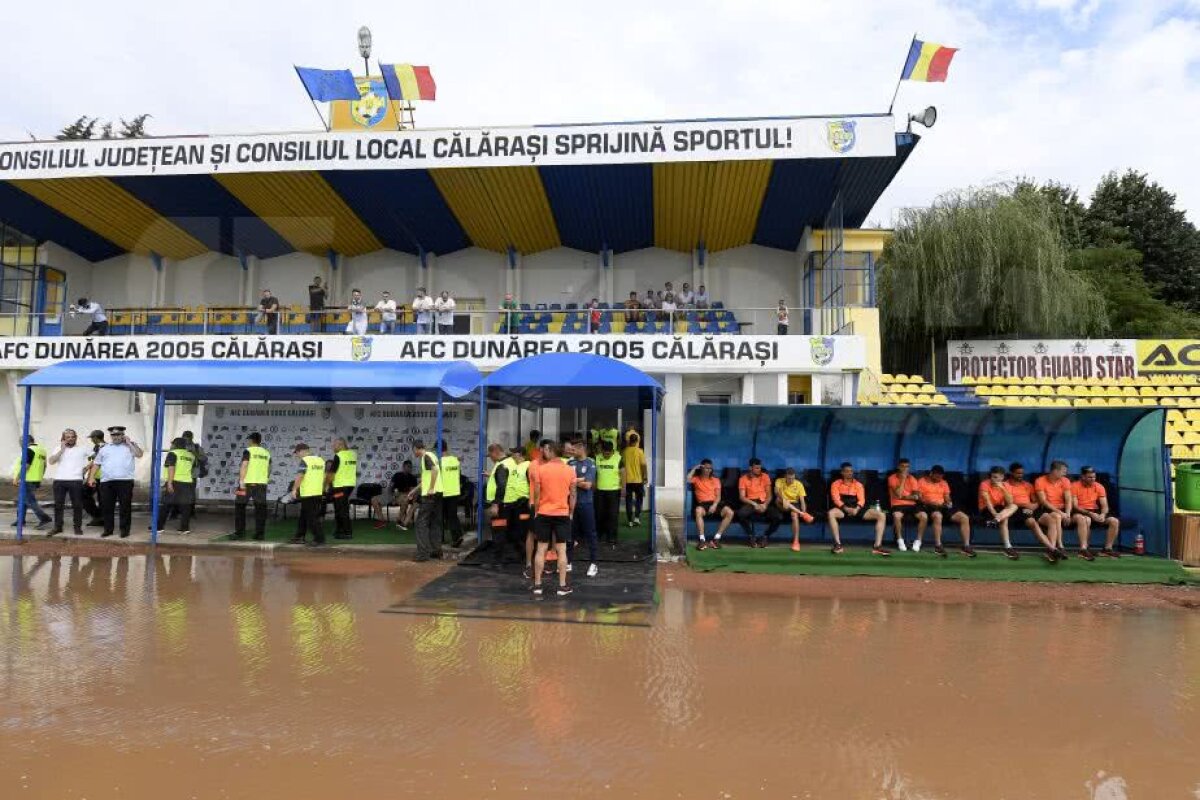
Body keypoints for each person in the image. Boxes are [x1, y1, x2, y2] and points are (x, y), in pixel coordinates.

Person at [529, 440, 576, 597]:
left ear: (549, 450)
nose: (543, 452)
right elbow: (573, 494)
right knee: (562, 550)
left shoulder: (540, 470)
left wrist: (536, 510)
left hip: (543, 513)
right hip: (562, 514)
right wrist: (571, 512)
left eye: (545, 450)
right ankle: (562, 586)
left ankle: (537, 585)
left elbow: (536, 493)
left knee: (541, 549)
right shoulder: (570, 470)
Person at [87, 426, 143, 538]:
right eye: (113, 435)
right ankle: (108, 529)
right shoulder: (105, 448)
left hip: (125, 481)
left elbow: (139, 454)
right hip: (107, 482)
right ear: (111, 436)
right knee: (107, 507)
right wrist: (91, 477)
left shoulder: (130, 446)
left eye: (118, 434)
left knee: (125, 507)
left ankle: (124, 530)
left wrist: (129, 443)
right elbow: (97, 463)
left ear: (123, 435)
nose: (116, 437)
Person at [827, 462, 888, 555]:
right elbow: (836, 499)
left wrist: (856, 509)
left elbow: (861, 500)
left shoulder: (858, 484)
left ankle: (877, 547)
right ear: (842, 473)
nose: (850, 473)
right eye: (847, 471)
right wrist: (846, 508)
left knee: (882, 515)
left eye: (851, 471)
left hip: (857, 508)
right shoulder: (836, 484)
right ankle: (838, 545)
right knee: (831, 513)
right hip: (843, 508)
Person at [1036, 460, 1092, 560]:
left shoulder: (1065, 481)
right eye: (1063, 471)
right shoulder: (1040, 481)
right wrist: (1060, 512)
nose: (1065, 473)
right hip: (1047, 509)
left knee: (1082, 518)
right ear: (1055, 471)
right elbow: (1044, 501)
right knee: (1056, 516)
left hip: (1063, 509)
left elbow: (1068, 499)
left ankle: (1083, 549)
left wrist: (1067, 513)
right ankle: (1059, 547)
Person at [917, 465, 975, 557]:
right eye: (937, 476)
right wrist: (930, 502)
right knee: (938, 516)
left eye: (941, 476)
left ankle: (966, 546)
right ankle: (938, 545)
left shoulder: (943, 483)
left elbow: (947, 497)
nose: (939, 478)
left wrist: (948, 502)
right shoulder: (922, 481)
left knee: (964, 517)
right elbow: (920, 498)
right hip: (929, 506)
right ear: (931, 474)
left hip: (943, 506)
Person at [1007, 462, 1060, 562]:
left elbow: (1036, 501)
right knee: (1032, 522)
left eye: (1022, 473)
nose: (1020, 475)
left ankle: (1051, 551)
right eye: (1018, 473)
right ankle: (1052, 549)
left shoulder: (1028, 485)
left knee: (1051, 521)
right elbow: (1008, 503)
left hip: (1031, 509)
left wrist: (1032, 507)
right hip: (1016, 510)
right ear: (1012, 473)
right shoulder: (1006, 485)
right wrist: (1024, 506)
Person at [489, 447, 530, 568]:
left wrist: (496, 503)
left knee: (499, 531)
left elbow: (502, 485)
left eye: (514, 453)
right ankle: (521, 555)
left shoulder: (503, 465)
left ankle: (498, 561)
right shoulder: (514, 464)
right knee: (515, 531)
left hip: (504, 504)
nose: (512, 455)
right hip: (513, 503)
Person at [1073, 466, 1122, 558]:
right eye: (1090, 477)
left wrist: (1103, 514)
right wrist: (1090, 513)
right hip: (1080, 511)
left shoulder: (1099, 486)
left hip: (1095, 511)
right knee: (1086, 519)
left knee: (1114, 521)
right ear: (1083, 477)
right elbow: (1075, 506)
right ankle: (1083, 549)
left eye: (1094, 477)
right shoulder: (1075, 486)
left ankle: (1107, 549)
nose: (1093, 479)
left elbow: (1105, 506)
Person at [48, 428, 89, 536]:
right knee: (58, 505)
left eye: (73, 437)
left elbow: (95, 458)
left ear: (76, 438)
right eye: (68, 437)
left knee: (77, 505)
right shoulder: (58, 448)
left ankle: (77, 527)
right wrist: (62, 450)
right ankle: (58, 527)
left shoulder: (82, 449)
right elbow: (51, 461)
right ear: (63, 438)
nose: (70, 439)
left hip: (76, 480)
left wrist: (86, 468)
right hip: (59, 480)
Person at [567, 438, 599, 577]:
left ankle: (593, 563)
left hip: (586, 504)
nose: (572, 451)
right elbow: (565, 482)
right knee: (570, 534)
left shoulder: (591, 463)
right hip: (570, 504)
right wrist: (578, 480)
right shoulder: (570, 463)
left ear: (582, 449)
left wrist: (572, 481)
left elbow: (588, 485)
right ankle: (568, 562)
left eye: (574, 449)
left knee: (590, 533)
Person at [232, 432, 271, 541]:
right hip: (261, 484)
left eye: (248, 440)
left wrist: (241, 481)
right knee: (260, 509)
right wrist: (265, 478)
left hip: (246, 484)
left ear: (251, 440)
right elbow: (269, 468)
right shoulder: (266, 453)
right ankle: (260, 534)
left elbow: (244, 465)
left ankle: (239, 533)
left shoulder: (248, 450)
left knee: (239, 506)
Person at [735, 458, 781, 546]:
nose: (759, 470)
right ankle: (751, 535)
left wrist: (765, 505)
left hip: (764, 502)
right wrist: (754, 504)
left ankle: (765, 536)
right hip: (751, 502)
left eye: (759, 468)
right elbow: (742, 497)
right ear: (750, 468)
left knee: (778, 517)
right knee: (740, 514)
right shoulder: (743, 479)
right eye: (756, 468)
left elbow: (769, 495)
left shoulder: (765, 476)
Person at [410, 440, 443, 561]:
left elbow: (435, 470)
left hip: (430, 495)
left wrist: (431, 488)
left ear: (416, 448)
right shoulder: (432, 455)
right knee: (435, 522)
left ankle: (423, 554)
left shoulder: (426, 456)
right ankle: (436, 551)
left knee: (421, 524)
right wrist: (414, 490)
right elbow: (427, 477)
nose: (413, 453)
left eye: (413, 450)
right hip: (438, 493)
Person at [689, 459, 734, 549]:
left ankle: (716, 540)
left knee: (730, 512)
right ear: (702, 468)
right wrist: (695, 468)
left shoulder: (715, 480)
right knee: (698, 510)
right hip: (703, 504)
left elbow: (718, 496)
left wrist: (714, 505)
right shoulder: (696, 479)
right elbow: (687, 479)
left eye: (710, 468)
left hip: (715, 504)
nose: (708, 470)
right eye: (706, 468)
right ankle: (702, 540)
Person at [156, 436, 196, 535]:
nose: (171, 445)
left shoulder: (173, 453)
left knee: (165, 505)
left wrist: (169, 482)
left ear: (175, 444)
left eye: (172, 444)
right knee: (185, 506)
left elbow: (171, 468)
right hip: (187, 482)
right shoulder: (191, 455)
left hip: (175, 481)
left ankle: (158, 527)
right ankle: (184, 528)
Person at [978, 466, 1020, 560]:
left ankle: (996, 521)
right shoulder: (984, 484)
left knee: (1014, 506)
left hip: (1000, 511)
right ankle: (1008, 547)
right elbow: (987, 502)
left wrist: (1003, 489)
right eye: (993, 477)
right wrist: (995, 514)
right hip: (987, 509)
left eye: (996, 477)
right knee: (1004, 519)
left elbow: (1010, 502)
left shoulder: (1006, 485)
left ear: (1002, 477)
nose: (994, 479)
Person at [289, 443, 325, 547]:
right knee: (304, 516)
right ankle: (299, 536)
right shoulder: (320, 460)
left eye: (297, 453)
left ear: (302, 451)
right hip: (317, 492)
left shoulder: (305, 461)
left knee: (311, 518)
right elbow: (323, 477)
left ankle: (319, 539)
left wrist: (294, 489)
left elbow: (300, 476)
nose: (297, 455)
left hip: (308, 493)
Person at [11, 434, 51, 529]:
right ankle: (20, 520)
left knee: (30, 501)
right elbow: (44, 466)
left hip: (27, 479)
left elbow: (26, 466)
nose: (20, 445)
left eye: (20, 442)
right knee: (23, 500)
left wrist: (17, 478)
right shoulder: (41, 450)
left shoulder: (29, 450)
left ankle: (44, 518)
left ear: (25, 441)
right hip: (35, 479)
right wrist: (40, 478)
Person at [888, 458, 925, 552]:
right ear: (898, 467)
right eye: (903, 466)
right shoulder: (892, 478)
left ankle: (918, 541)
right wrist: (903, 479)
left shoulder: (912, 478)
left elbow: (916, 496)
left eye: (907, 467)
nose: (905, 469)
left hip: (912, 505)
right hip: (897, 504)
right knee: (897, 516)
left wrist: (905, 497)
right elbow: (898, 494)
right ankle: (900, 540)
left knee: (924, 516)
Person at [775, 468, 814, 552]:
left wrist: (804, 511)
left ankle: (796, 541)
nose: (791, 480)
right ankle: (802, 514)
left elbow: (802, 501)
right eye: (789, 478)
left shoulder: (799, 484)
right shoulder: (779, 481)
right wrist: (784, 500)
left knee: (794, 515)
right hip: (781, 502)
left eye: (793, 478)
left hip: (794, 504)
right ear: (785, 476)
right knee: (778, 500)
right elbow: (777, 492)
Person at [326, 437, 357, 540]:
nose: (333, 447)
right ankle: (339, 531)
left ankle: (347, 532)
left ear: (340, 445)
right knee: (339, 508)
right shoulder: (353, 454)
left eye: (334, 445)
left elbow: (331, 473)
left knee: (341, 509)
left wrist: (326, 485)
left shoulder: (338, 456)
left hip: (340, 486)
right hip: (349, 486)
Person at [371, 460, 418, 530]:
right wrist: (392, 495)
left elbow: (412, 491)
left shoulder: (412, 478)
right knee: (374, 499)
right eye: (407, 466)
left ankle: (399, 520)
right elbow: (390, 486)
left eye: (410, 467)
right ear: (403, 467)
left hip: (403, 495)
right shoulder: (397, 475)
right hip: (392, 494)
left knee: (405, 499)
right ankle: (381, 520)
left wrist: (406, 495)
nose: (409, 468)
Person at [594, 439, 622, 547]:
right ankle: (600, 535)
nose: (606, 454)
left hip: (614, 491)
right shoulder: (597, 457)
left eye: (608, 452)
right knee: (600, 514)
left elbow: (623, 472)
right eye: (604, 452)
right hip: (600, 491)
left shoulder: (619, 458)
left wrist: (623, 488)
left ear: (612, 451)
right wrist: (594, 484)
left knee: (613, 515)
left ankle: (612, 538)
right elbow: (595, 473)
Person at [439, 441, 463, 547]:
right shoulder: (455, 460)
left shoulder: (439, 461)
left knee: (440, 516)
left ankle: (440, 538)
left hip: (443, 492)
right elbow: (458, 474)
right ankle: (457, 536)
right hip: (455, 491)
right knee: (452, 516)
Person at [80, 429, 105, 527]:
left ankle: (101, 519)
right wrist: (89, 474)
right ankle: (98, 516)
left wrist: (87, 470)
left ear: (96, 438)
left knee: (102, 499)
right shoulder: (96, 447)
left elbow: (96, 461)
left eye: (92, 438)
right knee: (84, 494)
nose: (91, 440)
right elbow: (94, 461)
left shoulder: (104, 447)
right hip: (95, 477)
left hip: (102, 477)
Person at [622, 432, 647, 527]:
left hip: (628, 480)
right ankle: (636, 518)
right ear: (637, 441)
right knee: (639, 499)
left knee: (628, 500)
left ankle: (629, 521)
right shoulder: (640, 451)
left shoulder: (624, 452)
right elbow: (644, 465)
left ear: (629, 441)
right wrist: (645, 476)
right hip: (638, 480)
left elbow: (623, 466)